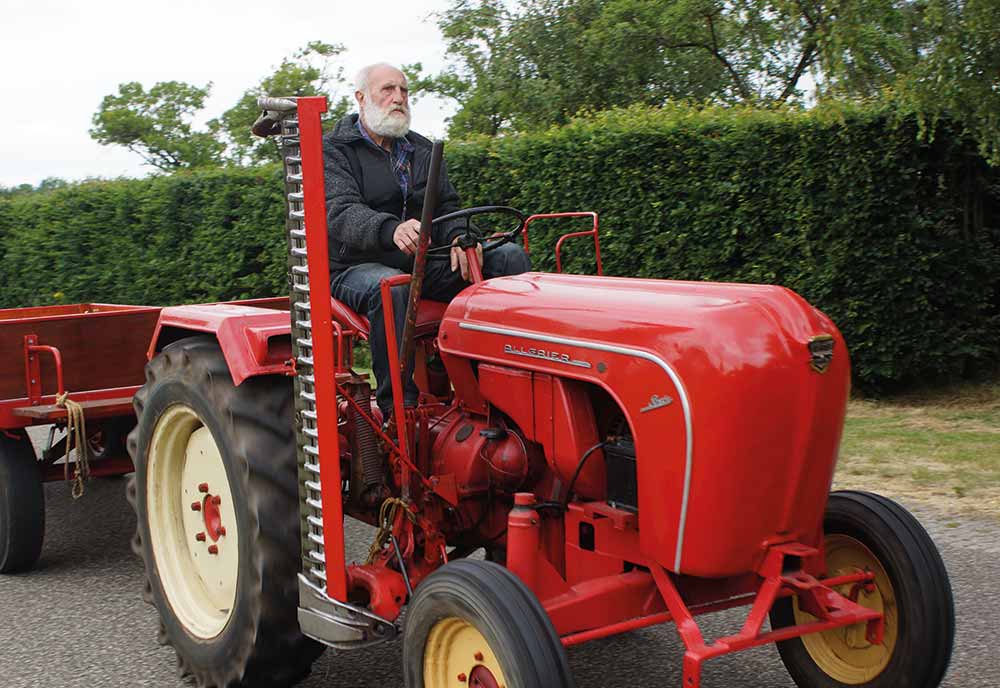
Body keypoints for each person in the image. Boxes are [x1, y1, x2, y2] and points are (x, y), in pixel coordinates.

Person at [323, 62, 530, 420]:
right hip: (352, 266)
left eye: (404, 91)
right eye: (387, 90)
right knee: (392, 288)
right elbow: (341, 211)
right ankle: (398, 410)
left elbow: (446, 205)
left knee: (506, 258)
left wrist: (460, 238)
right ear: (360, 97)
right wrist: (391, 229)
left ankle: (507, 387)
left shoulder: (421, 149)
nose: (398, 98)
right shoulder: (334, 150)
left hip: (420, 261)